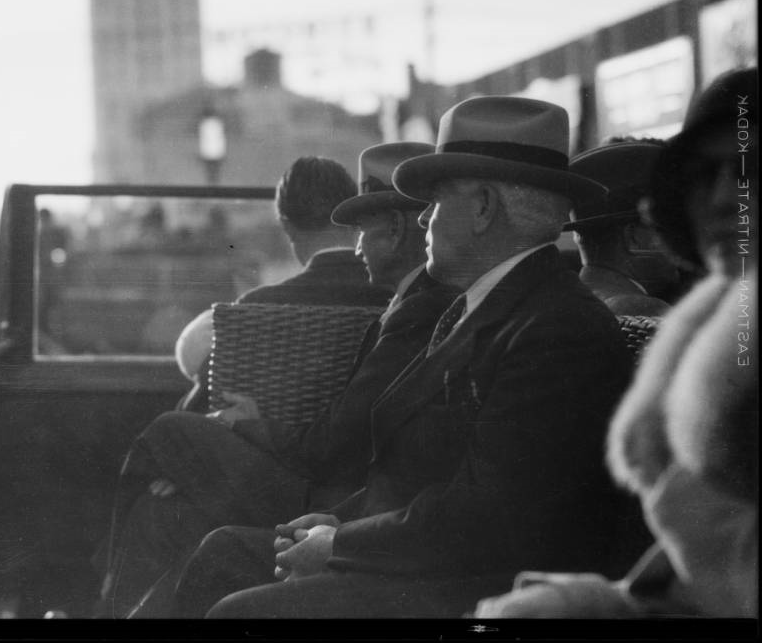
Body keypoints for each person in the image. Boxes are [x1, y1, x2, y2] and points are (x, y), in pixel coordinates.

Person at [168, 96, 642, 618]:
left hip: (482, 588)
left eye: (436, 203)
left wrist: (341, 544)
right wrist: (338, 524)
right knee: (224, 552)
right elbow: (422, 474)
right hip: (428, 557)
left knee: (237, 612)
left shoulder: (556, 327)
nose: (426, 222)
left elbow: (487, 516)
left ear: (484, 208)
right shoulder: (488, 304)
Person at [92, 143, 460, 618]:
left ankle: (101, 599)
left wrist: (245, 426)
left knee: (167, 434)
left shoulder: (411, 314)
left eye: (364, 230)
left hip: (322, 491)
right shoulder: (404, 304)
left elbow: (330, 442)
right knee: (160, 515)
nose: (357, 244)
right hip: (342, 494)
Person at [474, 66, 757, 619]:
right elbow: (700, 572)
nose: (725, 199)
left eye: (750, 170)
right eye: (704, 176)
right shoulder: (711, 325)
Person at [174, 156, 392, 400]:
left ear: (286, 226)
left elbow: (215, 402)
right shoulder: (396, 298)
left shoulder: (253, 310)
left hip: (268, 437)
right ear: (354, 218)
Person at [565, 139, 675, 316]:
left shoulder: (567, 301)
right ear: (633, 238)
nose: (680, 241)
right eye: (669, 227)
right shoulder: (642, 308)